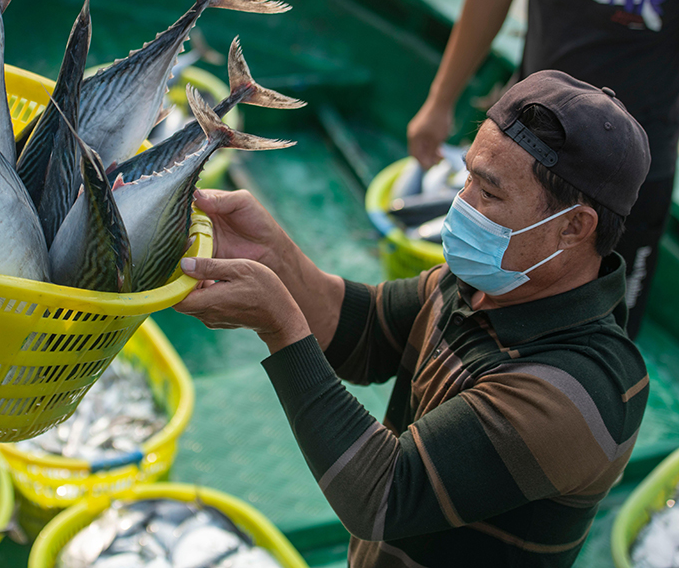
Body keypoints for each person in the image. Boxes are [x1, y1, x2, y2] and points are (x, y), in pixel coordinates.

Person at [175, 71, 651, 567]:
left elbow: (383, 495)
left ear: (574, 226)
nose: (461, 205)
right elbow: (362, 331)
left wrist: (280, 326)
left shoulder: (578, 391)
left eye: (489, 195)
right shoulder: (490, 284)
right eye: (466, 176)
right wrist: (275, 256)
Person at [406, 0, 679, 338]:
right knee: (476, 311)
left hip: (633, 178)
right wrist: (439, 101)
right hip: (526, 152)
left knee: (611, 337)